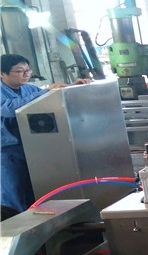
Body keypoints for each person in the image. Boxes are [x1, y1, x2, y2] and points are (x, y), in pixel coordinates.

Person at [1, 54, 90, 217]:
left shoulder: (28, 89)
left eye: (28, 70)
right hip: (7, 152)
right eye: (19, 71)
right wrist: (46, 91)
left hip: (30, 148)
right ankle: (14, 224)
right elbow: (9, 108)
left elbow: (47, 97)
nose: (26, 74)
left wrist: (71, 87)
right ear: (2, 74)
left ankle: (33, 223)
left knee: (33, 189)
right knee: (13, 190)